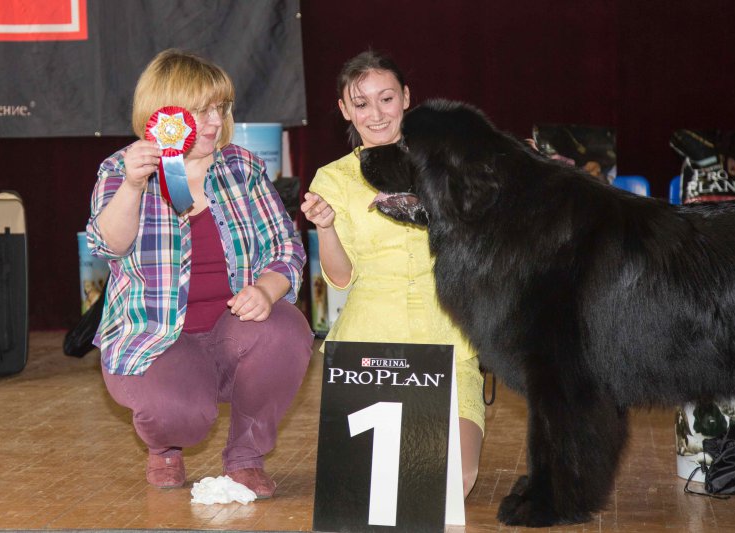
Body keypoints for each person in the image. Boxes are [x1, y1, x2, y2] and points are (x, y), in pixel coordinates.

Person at [85, 49, 313, 498]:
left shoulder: (242, 166)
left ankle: (246, 457)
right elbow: (107, 244)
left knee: (286, 329)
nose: (213, 121)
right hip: (154, 336)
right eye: (199, 110)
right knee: (179, 413)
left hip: (233, 334)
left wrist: (267, 290)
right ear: (163, 114)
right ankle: (165, 445)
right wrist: (133, 186)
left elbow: (286, 248)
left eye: (220, 108)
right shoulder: (121, 168)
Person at [300, 50, 485, 497]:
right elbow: (340, 279)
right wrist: (325, 228)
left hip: (449, 342)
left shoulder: (450, 165)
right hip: (368, 353)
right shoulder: (333, 178)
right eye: (361, 103)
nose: (376, 113)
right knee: (376, 489)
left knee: (450, 481)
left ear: (405, 98)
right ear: (345, 110)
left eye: (386, 98)